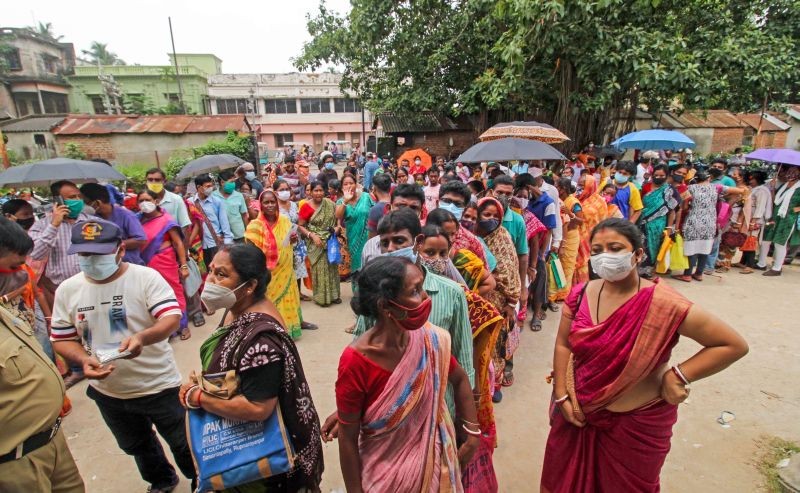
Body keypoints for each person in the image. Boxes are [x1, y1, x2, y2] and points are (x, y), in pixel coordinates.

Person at [541, 218, 748, 493]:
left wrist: (679, 375)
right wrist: (561, 394)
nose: (605, 257)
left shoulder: (664, 304)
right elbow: (564, 344)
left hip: (635, 427)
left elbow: (732, 344)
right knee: (561, 482)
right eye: (597, 250)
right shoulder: (579, 295)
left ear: (638, 254)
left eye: (615, 248)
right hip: (577, 415)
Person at [50, 219, 195, 493]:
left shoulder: (144, 277)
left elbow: (171, 317)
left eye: (99, 255)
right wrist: (82, 360)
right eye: (85, 255)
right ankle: (162, 480)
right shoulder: (68, 290)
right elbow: (62, 338)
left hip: (158, 385)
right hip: (108, 392)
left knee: (183, 441)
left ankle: (200, 479)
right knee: (136, 445)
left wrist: (142, 337)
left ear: (119, 249)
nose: (91, 261)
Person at [182, 245, 324, 491]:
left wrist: (197, 396)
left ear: (250, 286)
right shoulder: (236, 308)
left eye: (222, 275)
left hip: (257, 457)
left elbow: (258, 408)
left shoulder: (262, 341)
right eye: (212, 271)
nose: (211, 281)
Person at [335, 256, 479, 492]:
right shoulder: (355, 361)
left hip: (434, 468)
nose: (425, 297)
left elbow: (461, 379)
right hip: (383, 477)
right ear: (386, 306)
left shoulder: (430, 340)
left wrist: (472, 433)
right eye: (415, 291)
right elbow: (347, 437)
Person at [0, 217, 85, 493]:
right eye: (14, 267)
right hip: (16, 464)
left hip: (51, 442)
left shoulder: (6, 310)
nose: (23, 274)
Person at [29, 180, 95, 388]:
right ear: (58, 200)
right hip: (61, 287)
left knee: (95, 323)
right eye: (71, 197)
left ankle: (99, 358)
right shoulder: (43, 225)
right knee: (69, 328)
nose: (77, 201)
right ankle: (77, 368)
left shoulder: (90, 220)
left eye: (78, 196)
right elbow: (36, 254)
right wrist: (54, 225)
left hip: (92, 282)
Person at [246, 189, 317, 339]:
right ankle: (273, 330)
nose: (270, 205)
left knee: (290, 297)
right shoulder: (255, 226)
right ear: (261, 205)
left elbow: (289, 241)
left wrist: (292, 241)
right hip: (268, 272)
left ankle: (294, 324)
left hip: (286, 268)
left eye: (273, 202)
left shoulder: (284, 221)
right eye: (266, 202)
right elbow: (252, 250)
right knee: (270, 300)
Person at [475, 197, 521, 395]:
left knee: (495, 343)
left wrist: (511, 303)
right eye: (486, 215)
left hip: (497, 300)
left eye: (495, 216)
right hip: (476, 297)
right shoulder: (472, 234)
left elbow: (510, 272)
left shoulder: (502, 237)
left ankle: (495, 382)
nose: (491, 219)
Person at [137, 189, 190, 340]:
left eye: (147, 200)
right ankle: (166, 328)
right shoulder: (136, 220)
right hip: (146, 263)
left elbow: (178, 243)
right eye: (141, 201)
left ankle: (183, 325)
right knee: (153, 295)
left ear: (156, 201)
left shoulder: (167, 220)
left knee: (175, 291)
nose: (144, 204)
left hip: (165, 260)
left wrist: (184, 265)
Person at [488, 175, 529, 314]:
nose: (503, 197)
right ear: (491, 192)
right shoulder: (481, 216)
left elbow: (522, 255)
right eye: (499, 192)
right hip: (485, 283)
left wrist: (523, 287)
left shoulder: (517, 221)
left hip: (508, 287)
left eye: (508, 193)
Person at [80, 183, 147, 265]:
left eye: (86, 202)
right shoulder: (90, 218)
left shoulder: (126, 215)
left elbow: (141, 240)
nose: (83, 206)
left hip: (128, 264)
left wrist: (112, 245)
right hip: (105, 266)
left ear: (98, 203)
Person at [360, 183, 426, 266]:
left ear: (421, 212)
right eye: (401, 206)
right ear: (388, 209)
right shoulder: (371, 246)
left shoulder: (431, 246)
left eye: (413, 208)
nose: (407, 212)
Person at [298, 181, 341, 307]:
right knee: (319, 270)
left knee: (332, 268)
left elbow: (338, 221)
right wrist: (312, 235)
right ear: (310, 192)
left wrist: (337, 228)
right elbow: (300, 226)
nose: (318, 193)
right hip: (315, 243)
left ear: (325, 191)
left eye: (321, 190)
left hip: (330, 241)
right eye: (315, 190)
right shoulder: (306, 207)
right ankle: (321, 298)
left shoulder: (330, 204)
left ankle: (334, 296)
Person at [637, 164, 681, 277]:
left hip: (658, 224)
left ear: (667, 176)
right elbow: (639, 204)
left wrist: (670, 227)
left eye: (662, 175)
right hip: (642, 222)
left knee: (653, 246)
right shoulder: (645, 187)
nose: (658, 177)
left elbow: (672, 211)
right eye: (656, 175)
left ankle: (648, 271)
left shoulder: (670, 190)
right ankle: (637, 270)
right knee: (640, 245)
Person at [757, 165, 800, 276]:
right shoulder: (784, 185)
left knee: (780, 243)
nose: (791, 174)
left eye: (794, 171)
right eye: (789, 171)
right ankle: (761, 263)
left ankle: (777, 268)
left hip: (789, 219)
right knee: (766, 239)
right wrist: (772, 188)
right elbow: (776, 200)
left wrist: (795, 209)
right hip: (775, 216)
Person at [274, 179, 311, 301]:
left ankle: (298, 292)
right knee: (286, 266)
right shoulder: (274, 208)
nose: (285, 192)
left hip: (297, 240)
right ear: (275, 192)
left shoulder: (294, 205)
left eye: (286, 189)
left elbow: (299, 221)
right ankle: (286, 293)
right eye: (281, 190)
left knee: (299, 266)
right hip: (283, 241)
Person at [336, 173, 375, 275]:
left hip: (368, 238)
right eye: (345, 184)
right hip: (352, 239)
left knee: (370, 269)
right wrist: (346, 201)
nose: (349, 186)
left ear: (356, 184)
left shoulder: (366, 197)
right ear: (341, 187)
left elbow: (376, 212)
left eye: (351, 183)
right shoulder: (341, 202)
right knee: (356, 270)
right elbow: (338, 216)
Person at [193, 174, 234, 267]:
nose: (211, 188)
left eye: (211, 185)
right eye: (207, 186)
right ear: (199, 187)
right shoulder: (190, 202)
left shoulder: (217, 201)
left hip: (215, 242)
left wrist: (228, 241)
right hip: (198, 245)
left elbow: (224, 222)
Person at [553, 178, 584, 300]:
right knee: (558, 264)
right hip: (561, 235)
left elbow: (581, 221)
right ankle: (555, 293)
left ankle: (563, 295)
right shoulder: (559, 200)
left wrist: (570, 214)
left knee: (567, 265)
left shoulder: (574, 202)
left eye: (557, 187)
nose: (556, 189)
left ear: (563, 189)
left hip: (571, 236)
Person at [739, 170, 770, 274]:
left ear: (757, 179)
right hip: (749, 217)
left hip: (755, 219)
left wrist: (754, 220)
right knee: (746, 238)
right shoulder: (754, 189)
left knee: (751, 240)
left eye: (752, 178)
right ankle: (743, 262)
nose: (750, 180)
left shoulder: (762, 191)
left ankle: (750, 265)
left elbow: (760, 207)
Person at [144, 168, 191, 232]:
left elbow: (185, 225)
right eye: (150, 180)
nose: (153, 183)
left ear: (165, 182)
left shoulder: (176, 199)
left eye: (157, 180)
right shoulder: (142, 201)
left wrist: (182, 242)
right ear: (146, 182)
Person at [214, 170, 250, 243]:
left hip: (239, 235)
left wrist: (248, 232)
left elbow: (244, 215)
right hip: (222, 236)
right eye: (231, 182)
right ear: (222, 182)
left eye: (234, 182)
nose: (233, 184)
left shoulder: (239, 196)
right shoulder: (213, 196)